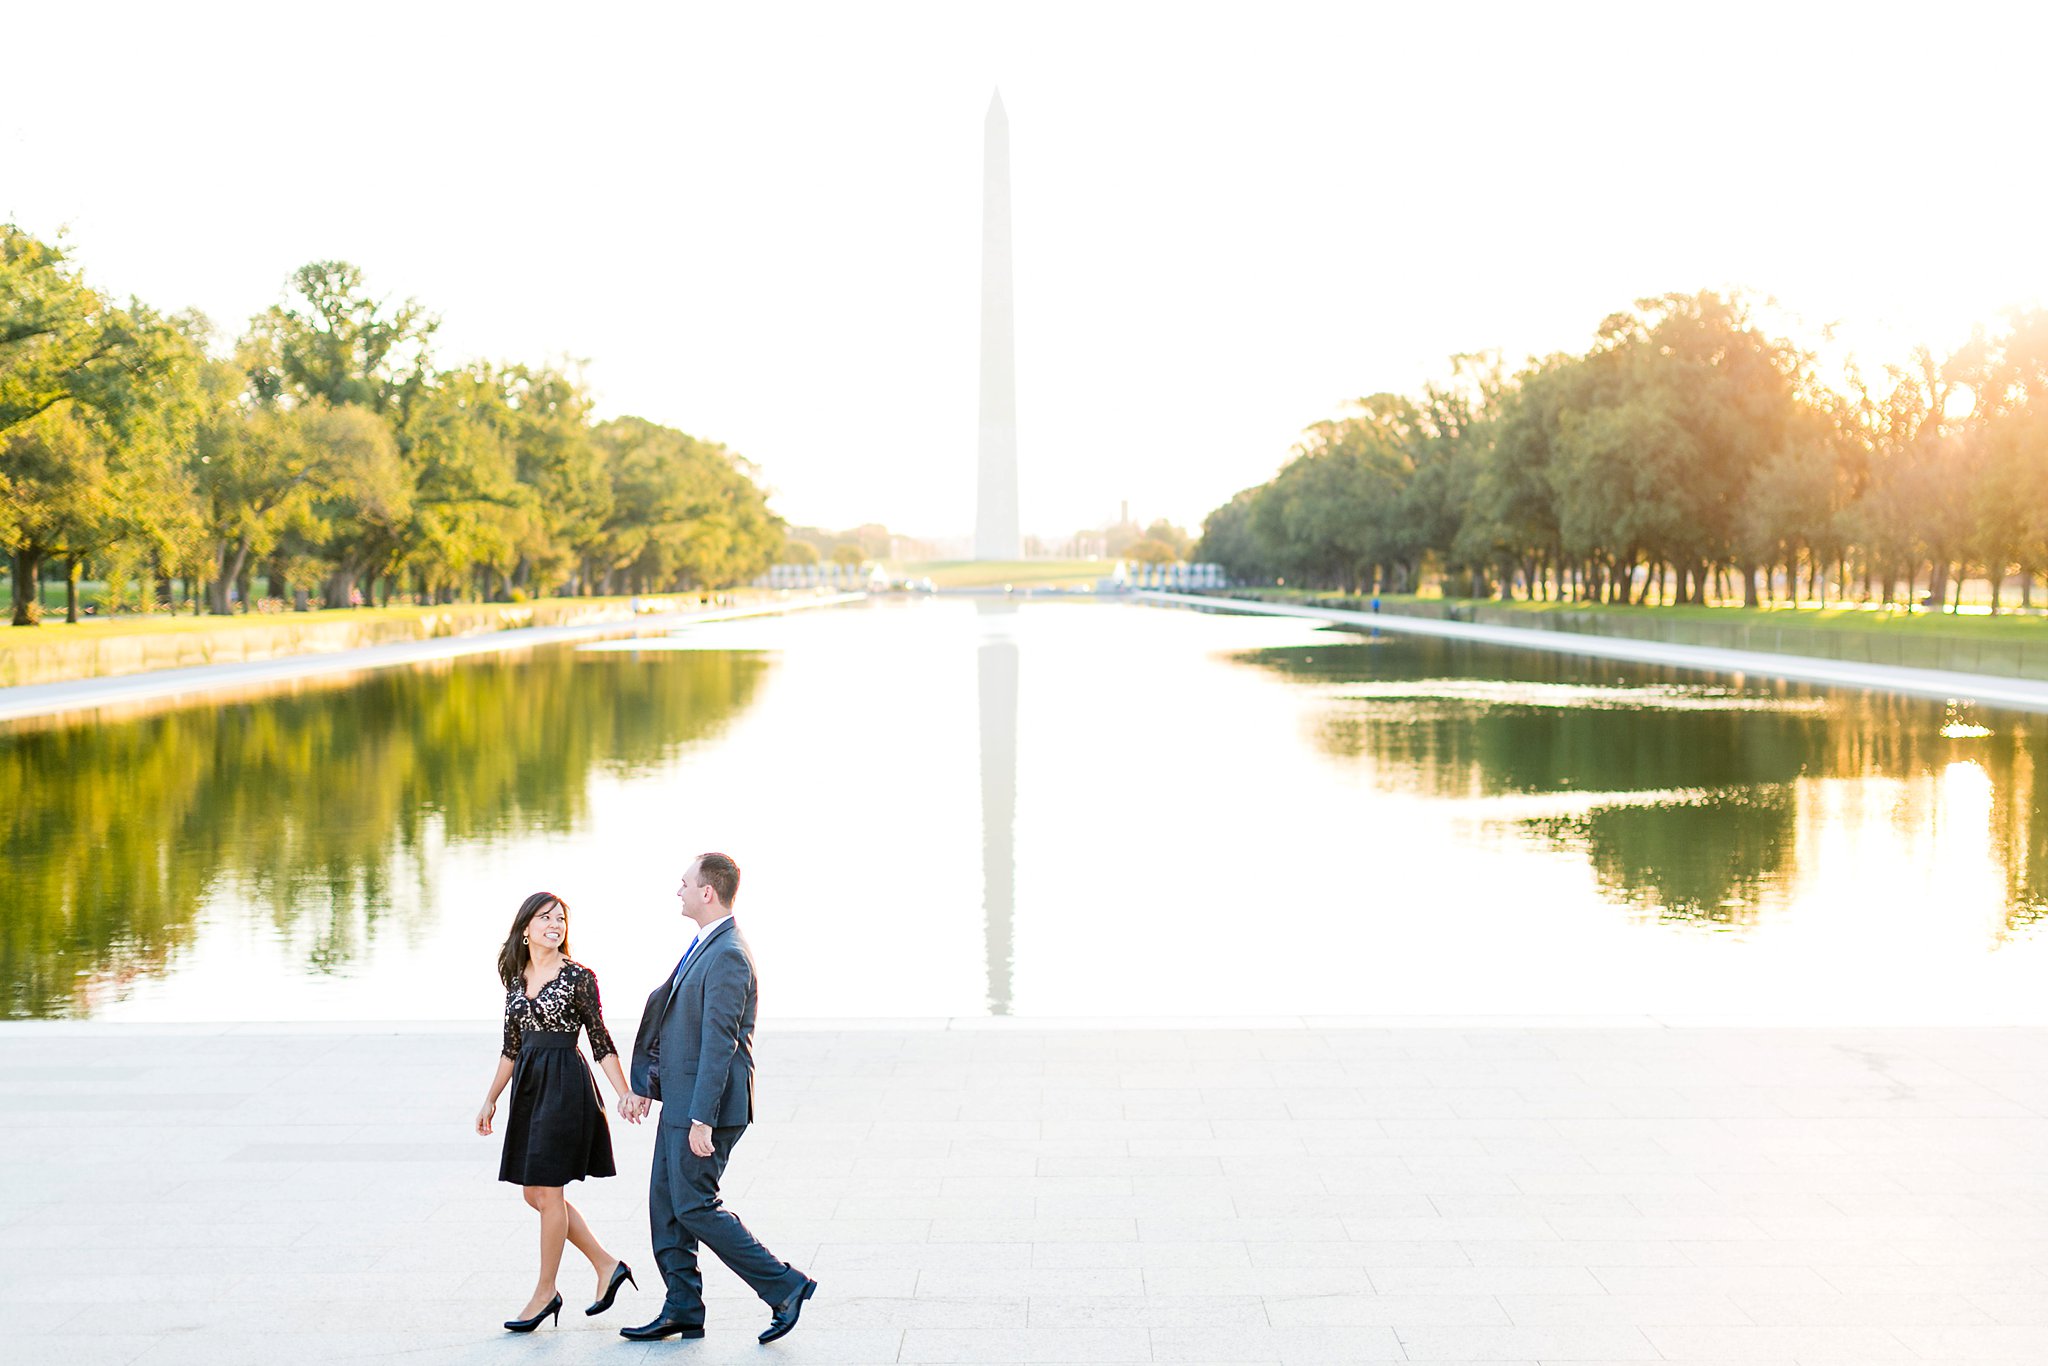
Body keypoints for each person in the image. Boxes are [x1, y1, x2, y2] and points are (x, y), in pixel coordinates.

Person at [619, 853, 816, 1344]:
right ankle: (682, 1307)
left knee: (694, 1206)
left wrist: (701, 1119)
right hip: (682, 1103)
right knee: (666, 1206)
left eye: (684, 883)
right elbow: (676, 1023)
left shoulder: (728, 953)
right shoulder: (704, 944)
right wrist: (649, 1086)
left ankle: (785, 1285)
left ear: (707, 892)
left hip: (706, 1110)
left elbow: (719, 1043)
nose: (678, 890)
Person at [475, 892, 642, 1333]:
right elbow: (511, 1048)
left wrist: (624, 1092)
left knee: (548, 1194)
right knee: (535, 1194)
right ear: (525, 927)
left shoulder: (579, 978)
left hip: (566, 1086)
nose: (555, 924)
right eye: (545, 917)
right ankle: (607, 1265)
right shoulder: (515, 978)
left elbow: (600, 1039)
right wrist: (491, 1097)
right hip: (528, 1090)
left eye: (561, 918)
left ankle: (545, 1291)